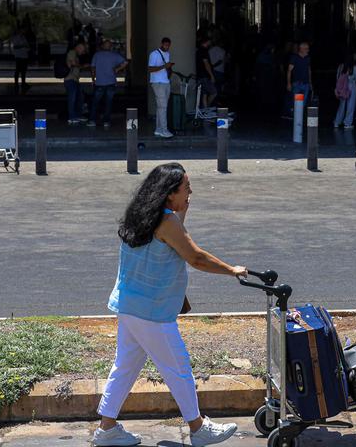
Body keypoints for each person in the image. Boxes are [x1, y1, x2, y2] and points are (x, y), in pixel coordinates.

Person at [93, 163, 243, 447]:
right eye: (186, 188)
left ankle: (107, 429)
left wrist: (182, 206)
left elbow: (174, 233)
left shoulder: (141, 215)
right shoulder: (166, 222)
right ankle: (198, 428)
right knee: (178, 367)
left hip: (129, 304)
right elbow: (195, 257)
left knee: (124, 367)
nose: (191, 192)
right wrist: (231, 270)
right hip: (152, 313)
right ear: (169, 194)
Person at [90, 39, 128, 128]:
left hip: (99, 82)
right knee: (108, 103)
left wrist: (93, 79)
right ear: (111, 47)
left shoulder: (97, 55)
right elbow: (126, 62)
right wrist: (117, 69)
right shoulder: (114, 55)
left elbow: (92, 68)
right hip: (111, 82)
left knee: (95, 102)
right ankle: (106, 121)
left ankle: (92, 120)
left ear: (102, 46)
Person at [148, 37, 175, 139]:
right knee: (163, 107)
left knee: (161, 107)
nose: (167, 47)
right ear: (161, 44)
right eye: (165, 45)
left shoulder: (167, 54)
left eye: (168, 45)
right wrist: (164, 66)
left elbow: (167, 67)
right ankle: (164, 130)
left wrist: (169, 70)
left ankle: (159, 129)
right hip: (157, 83)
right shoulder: (154, 54)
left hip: (165, 82)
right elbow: (150, 69)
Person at [333, 51, 356, 129]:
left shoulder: (341, 66)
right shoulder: (353, 67)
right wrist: (352, 78)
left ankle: (337, 122)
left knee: (341, 105)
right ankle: (347, 123)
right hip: (351, 87)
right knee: (350, 105)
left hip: (342, 88)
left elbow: (337, 78)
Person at [64, 42, 88, 125]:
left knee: (80, 98)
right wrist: (82, 66)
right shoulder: (72, 52)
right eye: (83, 50)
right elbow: (73, 63)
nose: (83, 52)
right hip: (70, 79)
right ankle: (72, 117)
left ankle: (78, 115)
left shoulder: (75, 54)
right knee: (72, 99)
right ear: (78, 47)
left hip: (75, 80)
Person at [286, 42, 311, 118]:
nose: (308, 50)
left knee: (304, 102)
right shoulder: (294, 57)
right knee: (295, 102)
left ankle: (298, 118)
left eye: (308, 48)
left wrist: (310, 82)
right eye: (306, 49)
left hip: (306, 83)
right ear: (301, 49)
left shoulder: (308, 58)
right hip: (297, 83)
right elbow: (289, 70)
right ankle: (294, 117)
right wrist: (289, 83)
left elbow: (309, 70)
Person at [11, 29, 31, 94]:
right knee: (18, 70)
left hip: (24, 55)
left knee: (23, 71)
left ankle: (23, 83)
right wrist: (23, 46)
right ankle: (16, 83)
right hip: (19, 56)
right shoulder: (16, 38)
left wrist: (26, 47)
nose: (24, 31)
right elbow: (15, 46)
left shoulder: (23, 37)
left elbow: (27, 46)